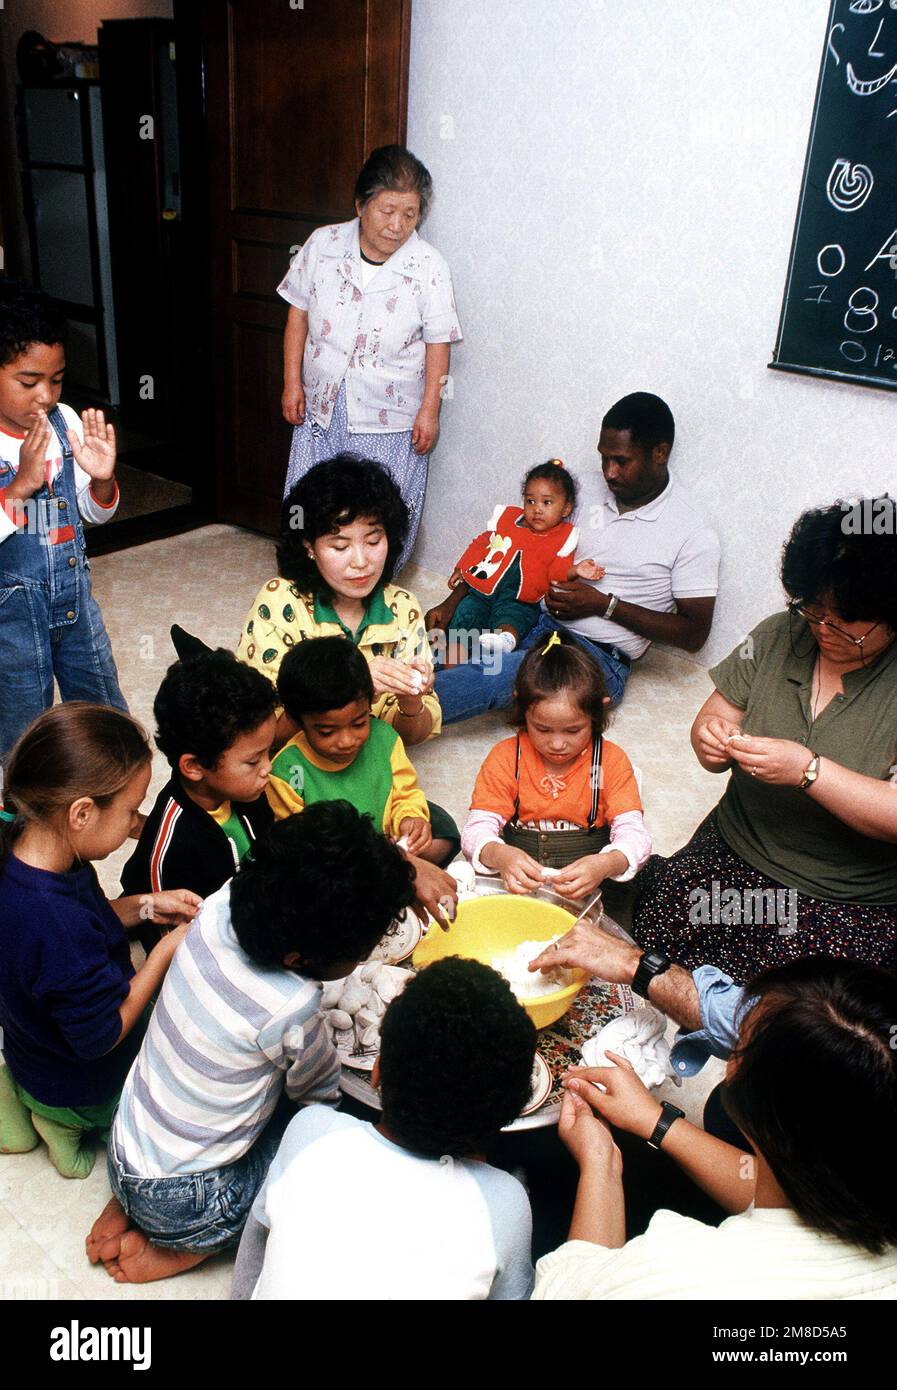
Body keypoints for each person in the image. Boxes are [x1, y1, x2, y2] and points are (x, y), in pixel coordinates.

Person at [86, 802, 416, 1284]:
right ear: (300, 957)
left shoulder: (224, 900)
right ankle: (190, 1248)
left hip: (126, 1144)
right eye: (360, 952)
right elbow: (315, 1100)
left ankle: (130, 1201)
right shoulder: (291, 1008)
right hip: (189, 1203)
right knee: (314, 1148)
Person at [634, 499, 897, 978]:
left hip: (842, 892)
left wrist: (808, 771)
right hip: (738, 846)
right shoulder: (780, 634)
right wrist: (710, 739)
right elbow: (715, 714)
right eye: (813, 611)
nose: (823, 629)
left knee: (802, 1015)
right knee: (658, 941)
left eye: (845, 623)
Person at [532, 956, 897, 1300]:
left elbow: (566, 1287)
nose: (732, 1054)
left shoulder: (681, 1271)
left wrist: (601, 1164)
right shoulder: (852, 1170)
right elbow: (794, 1186)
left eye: (740, 1045)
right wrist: (655, 1121)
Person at [232, 957, 537, 1301]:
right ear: (510, 1114)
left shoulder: (312, 1130)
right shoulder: (506, 1203)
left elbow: (255, 1245)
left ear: (376, 1072)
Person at [0, 705, 200, 1178]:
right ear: (82, 813)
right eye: (131, 810)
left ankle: (17, 1099)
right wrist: (165, 954)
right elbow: (101, 1036)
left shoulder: (29, 844)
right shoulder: (56, 923)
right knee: (143, 1123)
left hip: (27, 1044)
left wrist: (147, 904)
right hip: (75, 1084)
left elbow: (90, 922)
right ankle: (59, 1127)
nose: (138, 823)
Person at [435, 391, 720, 720]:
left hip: (597, 655)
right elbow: (510, 544)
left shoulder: (692, 530)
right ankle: (377, 689)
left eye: (622, 461)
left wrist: (604, 604)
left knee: (499, 672)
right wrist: (454, 600)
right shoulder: (580, 490)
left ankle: (393, 717)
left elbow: (694, 634)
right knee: (443, 643)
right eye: (604, 458)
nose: (609, 472)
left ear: (660, 453)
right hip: (530, 619)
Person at [279, 145, 462, 569]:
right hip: (322, 405)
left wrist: (430, 411)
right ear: (361, 204)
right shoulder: (322, 245)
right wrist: (291, 382)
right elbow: (298, 314)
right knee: (315, 500)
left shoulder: (428, 266)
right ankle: (310, 587)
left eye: (410, 214)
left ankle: (374, 595)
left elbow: (439, 342)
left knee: (381, 511)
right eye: (387, 211)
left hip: (391, 412)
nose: (397, 226)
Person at [0, 277, 127, 762]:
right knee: (24, 737)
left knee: (103, 718)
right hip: (11, 624)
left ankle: (106, 809)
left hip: (76, 609)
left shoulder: (65, 423)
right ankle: (26, 829)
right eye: (28, 382)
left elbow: (91, 514)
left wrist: (101, 480)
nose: (45, 396)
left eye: (56, 379)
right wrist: (21, 485)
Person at [462, 632, 650, 901]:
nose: (558, 744)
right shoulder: (506, 758)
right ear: (522, 707)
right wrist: (499, 855)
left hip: (593, 886)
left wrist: (606, 864)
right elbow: (476, 829)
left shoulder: (609, 762)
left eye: (573, 730)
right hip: (519, 885)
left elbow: (635, 835)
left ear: (598, 711)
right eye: (543, 729)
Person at [120, 649, 278, 951]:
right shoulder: (171, 845)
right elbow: (167, 938)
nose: (268, 768)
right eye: (254, 760)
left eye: (268, 752)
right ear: (194, 767)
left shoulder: (247, 791)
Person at [267, 636, 460, 866]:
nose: (347, 741)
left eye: (359, 723)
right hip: (333, 860)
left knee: (443, 833)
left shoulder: (384, 739)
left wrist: (410, 818)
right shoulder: (288, 771)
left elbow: (405, 793)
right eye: (327, 732)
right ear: (297, 721)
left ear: (370, 703)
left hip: (387, 839)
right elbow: (294, 843)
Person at [426, 460, 603, 657]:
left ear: (566, 509)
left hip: (519, 598)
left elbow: (556, 573)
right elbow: (483, 542)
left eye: (547, 502)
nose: (537, 509)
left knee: (514, 618)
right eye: (530, 501)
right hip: (483, 590)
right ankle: (451, 668)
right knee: (464, 617)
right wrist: (463, 566)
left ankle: (505, 641)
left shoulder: (563, 537)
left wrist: (576, 570)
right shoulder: (508, 520)